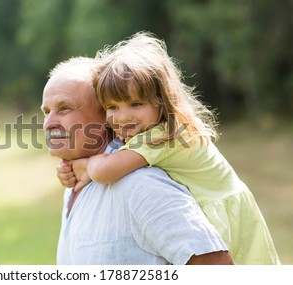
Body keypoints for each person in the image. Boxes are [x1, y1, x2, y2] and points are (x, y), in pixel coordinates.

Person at [58, 32, 280, 264]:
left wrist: (86, 165)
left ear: (162, 101)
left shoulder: (162, 136)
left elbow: (106, 171)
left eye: (136, 104)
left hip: (225, 214)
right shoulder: (144, 128)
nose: (123, 117)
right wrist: (71, 167)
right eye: (112, 106)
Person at [42, 56, 234, 264]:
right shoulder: (74, 182)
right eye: (46, 112)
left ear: (106, 116)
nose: (48, 123)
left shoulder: (142, 184)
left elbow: (217, 268)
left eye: (64, 108)